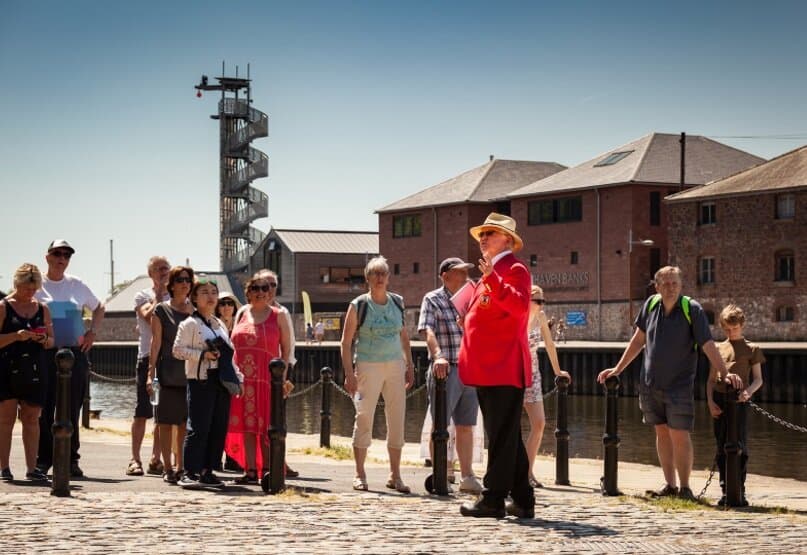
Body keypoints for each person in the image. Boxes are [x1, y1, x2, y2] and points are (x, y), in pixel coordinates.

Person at [597, 266, 742, 501]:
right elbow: (638, 340)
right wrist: (618, 368)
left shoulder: (691, 310)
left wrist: (724, 373)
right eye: (665, 283)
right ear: (657, 286)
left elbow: (707, 345)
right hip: (650, 384)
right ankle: (670, 485)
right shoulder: (651, 306)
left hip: (679, 385)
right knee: (661, 432)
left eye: (674, 283)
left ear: (681, 285)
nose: (670, 287)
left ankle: (685, 488)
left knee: (679, 434)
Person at [457, 213, 534, 519]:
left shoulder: (513, 269)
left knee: (501, 435)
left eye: (490, 233)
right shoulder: (492, 271)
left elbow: (517, 307)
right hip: (489, 366)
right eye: (482, 234)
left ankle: (493, 499)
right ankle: (524, 499)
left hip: (502, 365)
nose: (483, 238)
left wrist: (492, 279)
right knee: (508, 436)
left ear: (507, 239)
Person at [340, 256, 414, 494]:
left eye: (383, 273)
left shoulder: (398, 302)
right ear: (368, 278)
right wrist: (349, 374)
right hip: (367, 366)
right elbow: (346, 342)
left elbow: (404, 336)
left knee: (396, 418)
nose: (380, 278)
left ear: (388, 277)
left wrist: (409, 364)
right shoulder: (358, 305)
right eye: (375, 274)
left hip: (394, 365)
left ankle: (395, 475)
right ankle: (359, 473)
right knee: (363, 417)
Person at [35, 240, 105, 478]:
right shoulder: (36, 284)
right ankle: (43, 459)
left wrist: (92, 332)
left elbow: (99, 307)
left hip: (75, 353)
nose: (61, 258)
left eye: (66, 254)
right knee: (45, 408)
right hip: (45, 352)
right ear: (47, 257)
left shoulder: (77, 284)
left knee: (73, 407)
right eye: (57, 253)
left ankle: (71, 459)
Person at [417, 256, 483, 494]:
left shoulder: (472, 299)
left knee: (466, 426)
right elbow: (427, 329)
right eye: (460, 272)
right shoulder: (432, 299)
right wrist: (438, 356)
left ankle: (467, 476)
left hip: (469, 369)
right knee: (441, 424)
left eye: (467, 271)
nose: (466, 276)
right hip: (445, 370)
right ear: (445, 276)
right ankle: (441, 473)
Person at [173, 277, 243, 489]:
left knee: (218, 426)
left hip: (221, 380)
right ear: (194, 297)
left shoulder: (219, 323)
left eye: (213, 292)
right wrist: (202, 355)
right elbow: (177, 351)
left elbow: (230, 356)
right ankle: (190, 472)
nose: (211, 296)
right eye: (204, 292)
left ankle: (207, 471)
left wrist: (238, 379)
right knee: (199, 426)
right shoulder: (189, 324)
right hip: (201, 380)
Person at [225, 270, 291, 484]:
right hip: (244, 380)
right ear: (248, 292)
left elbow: (287, 350)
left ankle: (269, 469)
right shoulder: (242, 312)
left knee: (266, 427)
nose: (262, 292)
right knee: (247, 425)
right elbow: (232, 343)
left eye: (266, 288)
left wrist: (283, 380)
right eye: (256, 288)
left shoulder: (278, 315)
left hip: (267, 380)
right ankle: (250, 470)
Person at [0, 264, 54, 482]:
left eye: (33, 289)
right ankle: (4, 467)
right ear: (17, 284)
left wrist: (41, 338)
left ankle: (32, 468)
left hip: (34, 369)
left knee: (32, 418)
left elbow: (52, 341)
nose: (29, 293)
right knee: (6, 418)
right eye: (26, 289)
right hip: (6, 368)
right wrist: (16, 336)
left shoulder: (42, 309)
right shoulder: (3, 307)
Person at [707, 304, 764, 507]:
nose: (731, 332)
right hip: (721, 401)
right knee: (722, 445)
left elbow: (758, 379)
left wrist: (748, 392)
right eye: (727, 329)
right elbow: (711, 381)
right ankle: (725, 489)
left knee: (740, 445)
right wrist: (710, 402)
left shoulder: (752, 349)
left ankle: (739, 489)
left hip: (740, 401)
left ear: (742, 325)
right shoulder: (718, 348)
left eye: (735, 328)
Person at [146, 266, 194, 484]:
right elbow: (155, 344)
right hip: (167, 375)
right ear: (172, 285)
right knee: (165, 422)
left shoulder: (195, 310)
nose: (185, 283)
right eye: (180, 280)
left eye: (188, 280)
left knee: (184, 423)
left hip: (191, 375)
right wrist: (150, 374)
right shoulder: (161, 310)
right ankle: (167, 467)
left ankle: (181, 465)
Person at [126, 256, 170, 477]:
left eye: (166, 268)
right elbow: (147, 316)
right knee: (142, 410)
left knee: (162, 412)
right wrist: (160, 294)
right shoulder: (142, 295)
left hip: (168, 359)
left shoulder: (178, 296)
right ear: (150, 272)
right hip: (146, 358)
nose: (163, 272)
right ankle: (135, 459)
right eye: (159, 269)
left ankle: (156, 458)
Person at [524, 285, 571, 488]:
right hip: (515, 374)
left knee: (539, 423)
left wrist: (558, 371)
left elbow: (550, 344)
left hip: (533, 375)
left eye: (543, 301)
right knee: (508, 428)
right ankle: (511, 472)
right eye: (537, 300)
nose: (541, 304)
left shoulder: (541, 317)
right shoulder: (517, 317)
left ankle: (528, 472)